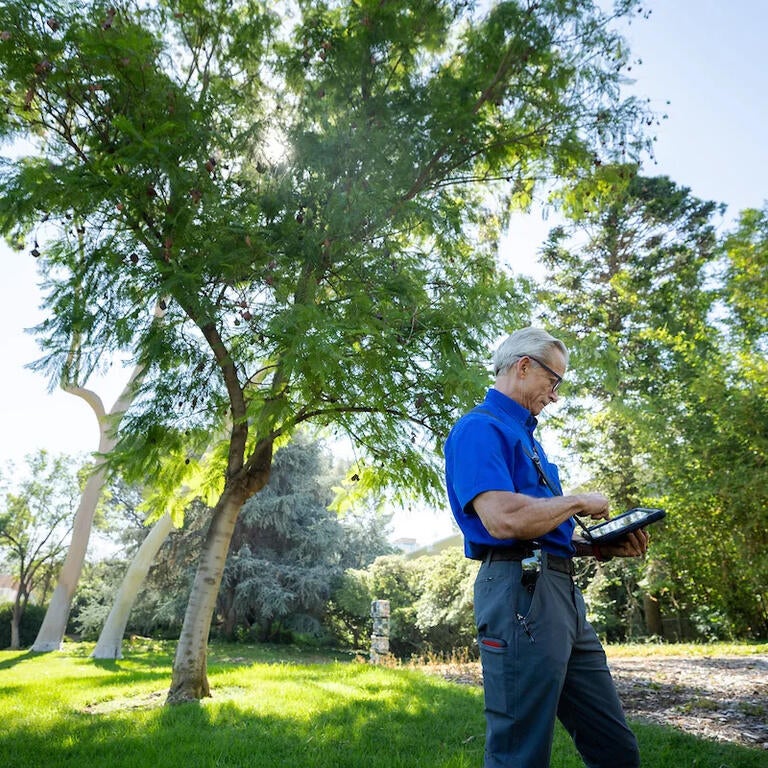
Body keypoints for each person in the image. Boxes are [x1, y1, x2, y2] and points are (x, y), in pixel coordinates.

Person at [444, 327, 648, 768]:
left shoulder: (527, 437)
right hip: (521, 591)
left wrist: (599, 548)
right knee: (519, 754)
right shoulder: (479, 429)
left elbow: (538, 527)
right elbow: (503, 519)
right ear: (523, 367)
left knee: (616, 749)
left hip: (561, 594)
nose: (554, 396)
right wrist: (576, 500)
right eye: (553, 381)